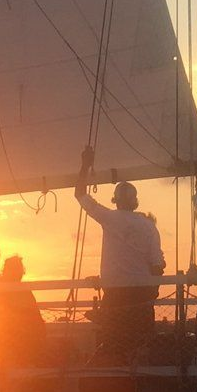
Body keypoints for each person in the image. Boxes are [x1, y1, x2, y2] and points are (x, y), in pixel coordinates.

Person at [75, 153, 166, 361]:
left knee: (113, 345)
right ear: (136, 201)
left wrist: (85, 165)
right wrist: (153, 289)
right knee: (142, 345)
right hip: (142, 295)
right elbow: (156, 265)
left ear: (115, 201)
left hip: (115, 295)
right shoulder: (149, 226)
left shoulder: (108, 218)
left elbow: (79, 194)